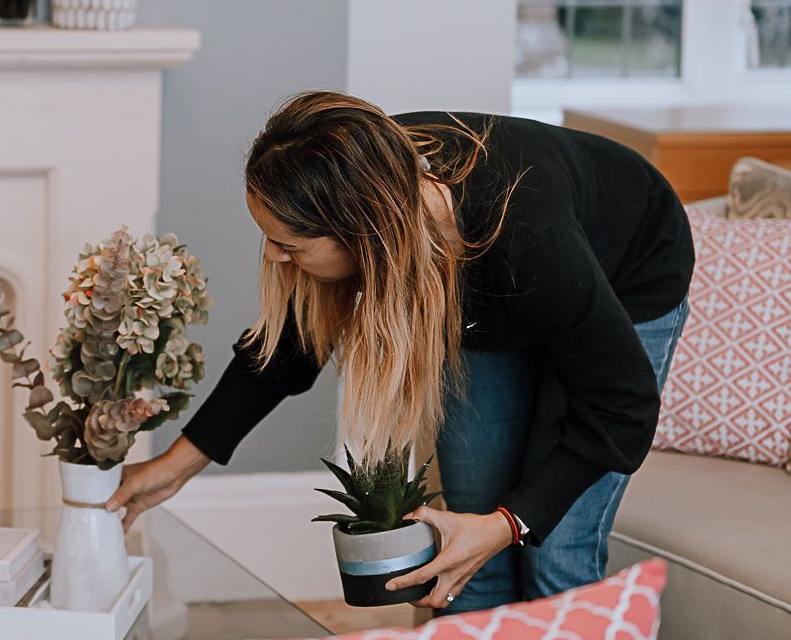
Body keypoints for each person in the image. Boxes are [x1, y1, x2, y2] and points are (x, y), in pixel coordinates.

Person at [109, 93, 693, 612]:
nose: (272, 257)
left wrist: (509, 524)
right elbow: (291, 345)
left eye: (289, 245)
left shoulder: (530, 242)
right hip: (489, 296)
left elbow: (623, 407)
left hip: (624, 271)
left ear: (366, 235)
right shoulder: (355, 178)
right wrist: (174, 467)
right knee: (464, 542)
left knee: (554, 550)